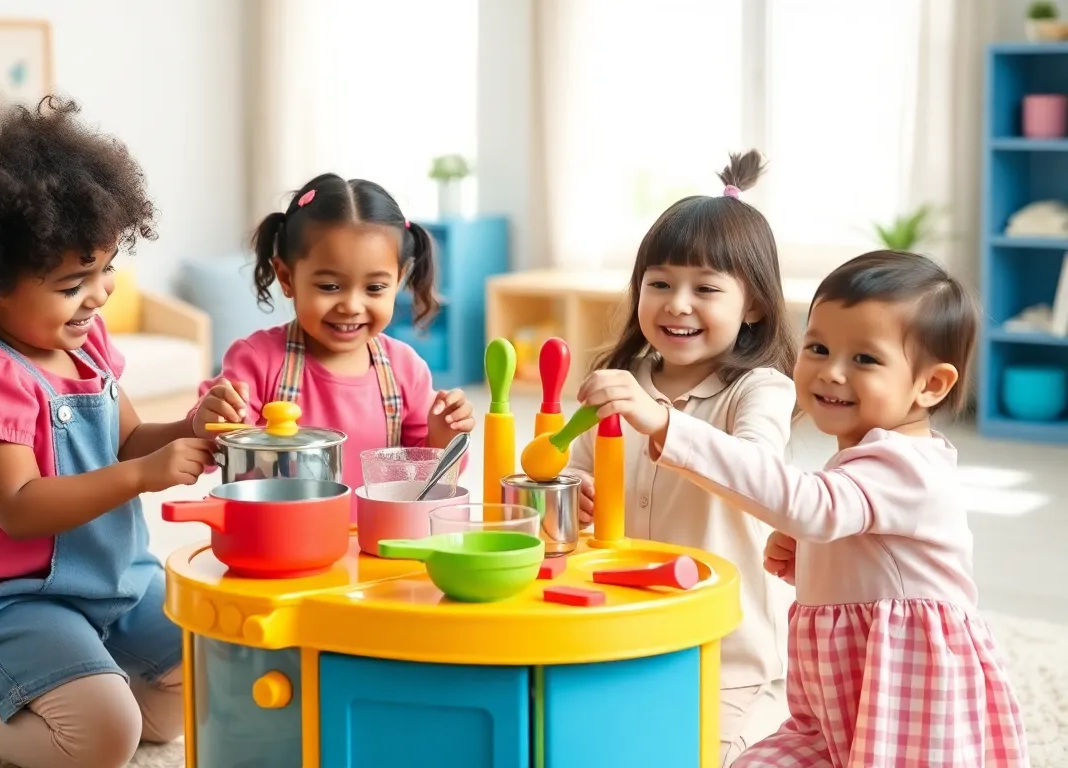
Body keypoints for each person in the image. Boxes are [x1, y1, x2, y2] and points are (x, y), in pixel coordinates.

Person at [0, 96, 217, 768]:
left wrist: (191, 429)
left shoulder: (83, 341)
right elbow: (20, 508)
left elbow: (128, 437)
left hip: (112, 582)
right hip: (9, 599)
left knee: (199, 674)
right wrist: (142, 476)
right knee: (106, 740)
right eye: (74, 282)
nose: (100, 295)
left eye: (106, 269)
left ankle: (83, 678)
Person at [581, 250, 1028, 766]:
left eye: (864, 359)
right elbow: (843, 528)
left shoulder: (908, 465)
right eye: (817, 347)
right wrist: (816, 552)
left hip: (911, 697)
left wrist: (665, 425)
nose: (830, 373)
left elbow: (809, 506)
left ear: (930, 385)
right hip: (834, 704)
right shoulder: (859, 461)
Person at [565, 151, 799, 764]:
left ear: (752, 305)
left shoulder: (761, 389)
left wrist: (660, 419)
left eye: (706, 288)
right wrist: (570, 487)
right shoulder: (618, 376)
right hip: (621, 636)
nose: (677, 304)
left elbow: (763, 479)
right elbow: (574, 464)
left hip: (727, 659)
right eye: (660, 284)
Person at [192, 173, 475, 498]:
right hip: (281, 542)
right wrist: (216, 418)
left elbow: (425, 480)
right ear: (286, 277)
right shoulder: (258, 360)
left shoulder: (405, 369)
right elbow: (212, 448)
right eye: (329, 286)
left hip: (376, 543)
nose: (352, 306)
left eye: (375, 288)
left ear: (398, 281)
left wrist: (442, 438)